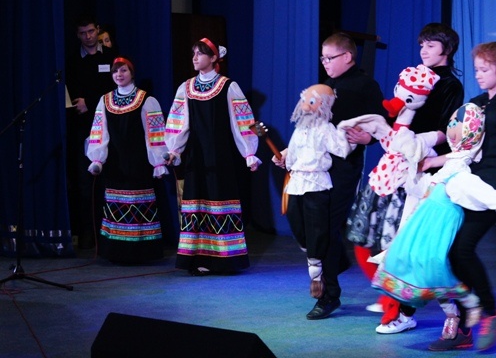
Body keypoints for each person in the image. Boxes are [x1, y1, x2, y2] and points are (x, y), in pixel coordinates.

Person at [346, 23, 466, 335]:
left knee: (404, 242)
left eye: (431, 45)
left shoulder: (450, 84)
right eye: (422, 44)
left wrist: (417, 147)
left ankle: (403, 309)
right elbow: (395, 117)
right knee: (368, 236)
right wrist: (375, 135)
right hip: (394, 164)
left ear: (447, 49)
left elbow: (447, 130)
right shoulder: (414, 75)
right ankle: (392, 299)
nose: (424, 50)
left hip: (422, 168)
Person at [372, 103, 496, 339]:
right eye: (452, 122)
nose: (452, 126)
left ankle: (467, 310)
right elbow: (427, 187)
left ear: (470, 132)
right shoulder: (450, 168)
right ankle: (452, 309)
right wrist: (407, 176)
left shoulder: (460, 175)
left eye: (458, 123)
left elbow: (481, 191)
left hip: (438, 230)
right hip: (424, 228)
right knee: (417, 265)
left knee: (438, 269)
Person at [428, 41, 496, 352]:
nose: (479, 75)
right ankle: (465, 324)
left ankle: (490, 313)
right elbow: (463, 149)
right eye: (476, 70)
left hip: (491, 189)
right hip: (467, 184)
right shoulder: (475, 104)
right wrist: (431, 161)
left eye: (485, 69)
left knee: (462, 249)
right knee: (450, 251)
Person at [303, 32, 388, 320]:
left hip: (344, 167)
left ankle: (328, 295)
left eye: (330, 57)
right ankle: (334, 263)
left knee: (327, 225)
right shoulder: (326, 86)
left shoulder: (365, 85)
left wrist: (368, 138)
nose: (325, 63)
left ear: (348, 57)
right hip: (317, 166)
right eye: (323, 58)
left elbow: (381, 123)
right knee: (312, 225)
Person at [164, 37, 261, 275]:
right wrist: (174, 149)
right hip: (196, 156)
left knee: (219, 200)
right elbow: (178, 122)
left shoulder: (228, 86)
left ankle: (224, 259)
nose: (195, 58)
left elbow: (243, 121)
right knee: (197, 202)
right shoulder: (186, 88)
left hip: (221, 156)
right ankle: (198, 257)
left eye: (200, 53)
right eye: (193, 53)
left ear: (214, 57)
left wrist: (249, 152)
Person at [272, 84, 355, 305]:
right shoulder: (300, 129)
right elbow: (293, 152)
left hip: (316, 183)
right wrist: (283, 158)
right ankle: (319, 257)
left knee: (316, 229)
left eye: (311, 101)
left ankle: (316, 274)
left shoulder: (326, 129)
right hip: (297, 182)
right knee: (297, 225)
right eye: (304, 100)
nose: (305, 106)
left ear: (324, 105)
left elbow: (342, 149)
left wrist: (347, 133)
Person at [85, 57, 169, 263]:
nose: (119, 75)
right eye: (115, 71)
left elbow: (155, 133)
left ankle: (142, 252)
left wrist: (158, 162)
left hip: (138, 162)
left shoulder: (146, 99)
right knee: (116, 206)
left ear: (132, 73)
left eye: (123, 70)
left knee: (139, 205)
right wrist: (97, 159)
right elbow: (99, 131)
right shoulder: (105, 100)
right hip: (115, 163)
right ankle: (116, 252)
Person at [65, 15, 118, 249]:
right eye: (82, 33)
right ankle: (88, 231)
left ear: (97, 30)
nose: (88, 36)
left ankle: (110, 229)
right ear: (77, 35)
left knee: (109, 178)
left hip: (109, 126)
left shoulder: (111, 56)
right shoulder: (72, 60)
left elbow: (115, 90)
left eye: (91, 31)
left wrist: (90, 101)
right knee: (84, 181)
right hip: (82, 127)